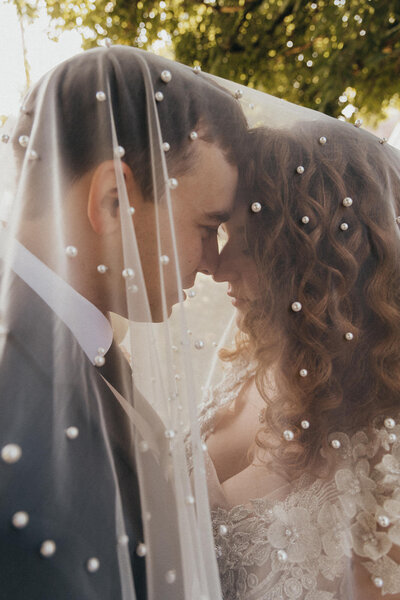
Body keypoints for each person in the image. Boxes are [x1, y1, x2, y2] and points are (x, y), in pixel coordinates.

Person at [0, 46, 247, 600]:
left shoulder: (74, 349)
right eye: (207, 227)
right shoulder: (21, 406)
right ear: (113, 201)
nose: (211, 262)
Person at [198, 117, 400, 599]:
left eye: (246, 242)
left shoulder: (384, 448)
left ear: (316, 260)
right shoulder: (247, 363)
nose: (218, 266)